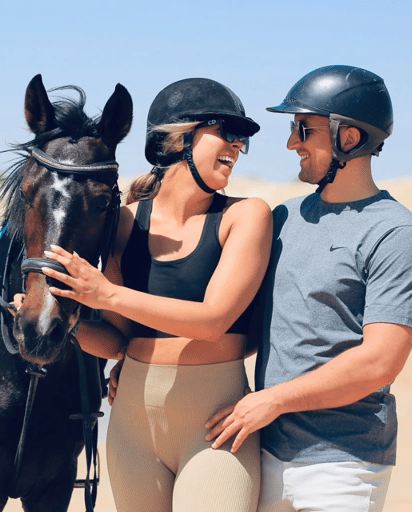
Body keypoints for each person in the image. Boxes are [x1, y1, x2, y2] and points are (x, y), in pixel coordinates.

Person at [204, 65, 412, 512]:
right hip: (263, 451)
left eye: (303, 129)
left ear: (349, 138)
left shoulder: (397, 233)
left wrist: (272, 400)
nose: (292, 143)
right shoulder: (283, 219)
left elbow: (380, 362)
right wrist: (144, 363)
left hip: (343, 464)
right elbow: (244, 324)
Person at [38, 78, 273, 512]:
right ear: (178, 139)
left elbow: (213, 320)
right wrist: (68, 322)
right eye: (227, 131)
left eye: (241, 139)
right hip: (131, 423)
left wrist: (105, 294)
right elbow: (117, 342)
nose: (238, 146)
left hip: (215, 425)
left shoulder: (245, 215)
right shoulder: (124, 222)